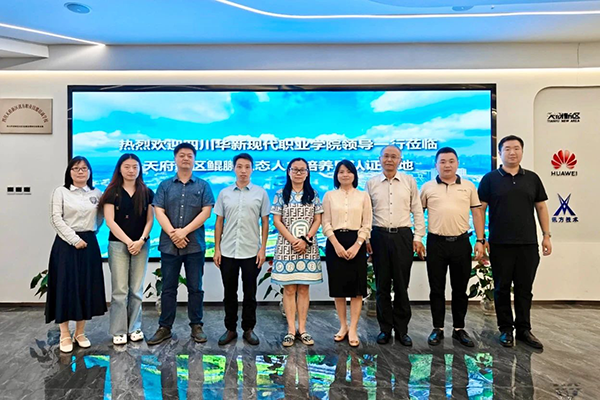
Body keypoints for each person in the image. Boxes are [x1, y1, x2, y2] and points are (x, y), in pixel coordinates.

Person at [478, 135, 552, 349]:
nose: (512, 152)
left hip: (527, 243)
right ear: (500, 153)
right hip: (500, 243)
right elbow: (480, 210)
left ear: (522, 151)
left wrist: (546, 235)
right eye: (508, 149)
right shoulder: (490, 179)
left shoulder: (532, 178)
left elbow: (541, 207)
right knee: (501, 288)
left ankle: (524, 330)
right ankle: (505, 330)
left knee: (524, 288)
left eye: (516, 148)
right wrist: (481, 239)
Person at [147, 143, 214, 345]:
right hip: (169, 246)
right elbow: (159, 211)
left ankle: (196, 326)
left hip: (195, 246)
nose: (186, 158)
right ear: (175, 158)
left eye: (189, 155)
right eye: (182, 155)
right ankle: (165, 327)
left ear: (194, 160)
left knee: (196, 288)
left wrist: (183, 232)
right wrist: (173, 234)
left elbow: (206, 212)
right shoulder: (165, 185)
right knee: (168, 288)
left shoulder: (203, 185)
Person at [420, 147, 485, 347]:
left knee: (460, 289)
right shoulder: (427, 187)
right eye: (442, 161)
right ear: (436, 165)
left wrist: (480, 240)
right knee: (436, 289)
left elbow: (477, 213)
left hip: (461, 243)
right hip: (436, 243)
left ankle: (459, 329)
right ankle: (437, 328)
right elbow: (418, 214)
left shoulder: (469, 186)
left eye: (451, 161)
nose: (447, 165)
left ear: (457, 163)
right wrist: (418, 238)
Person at [366, 145, 425, 346]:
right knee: (382, 286)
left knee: (401, 285)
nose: (389, 160)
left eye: (394, 156)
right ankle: (384, 330)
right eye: (386, 156)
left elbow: (417, 210)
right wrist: (367, 239)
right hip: (379, 236)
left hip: (403, 236)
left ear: (400, 160)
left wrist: (418, 237)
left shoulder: (409, 181)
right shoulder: (371, 183)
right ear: (380, 159)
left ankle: (402, 330)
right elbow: (366, 214)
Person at [46, 156, 106, 353]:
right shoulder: (61, 192)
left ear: (89, 172)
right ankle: (64, 333)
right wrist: (74, 239)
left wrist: (89, 233)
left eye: (84, 168)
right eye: (76, 168)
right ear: (69, 172)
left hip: (89, 244)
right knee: (64, 286)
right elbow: (56, 218)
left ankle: (80, 332)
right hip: (65, 245)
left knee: (85, 287)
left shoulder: (97, 193)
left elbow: (100, 218)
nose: (80, 171)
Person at [213, 153, 270, 346]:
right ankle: (230, 329)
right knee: (229, 293)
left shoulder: (261, 193)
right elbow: (219, 222)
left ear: (252, 169)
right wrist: (217, 249)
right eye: (239, 166)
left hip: (251, 251)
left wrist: (263, 249)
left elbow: (265, 222)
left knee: (250, 293)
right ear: (234, 169)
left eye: (247, 167)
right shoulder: (224, 193)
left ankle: (248, 329)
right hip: (228, 251)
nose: (243, 170)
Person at [98, 154, 154, 345]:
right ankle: (119, 330)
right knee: (120, 290)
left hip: (142, 245)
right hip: (118, 244)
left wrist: (141, 240)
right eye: (127, 166)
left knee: (136, 289)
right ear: (119, 169)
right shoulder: (111, 192)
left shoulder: (147, 192)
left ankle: (134, 327)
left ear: (140, 169)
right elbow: (110, 221)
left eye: (135, 167)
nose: (131, 170)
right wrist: (129, 242)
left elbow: (150, 220)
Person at [271, 158, 323, 347]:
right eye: (295, 169)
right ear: (289, 172)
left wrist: (305, 239)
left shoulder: (313, 194)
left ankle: (303, 329)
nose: (299, 173)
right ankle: (291, 330)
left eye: (302, 170)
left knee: (303, 289)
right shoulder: (280, 194)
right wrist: (293, 240)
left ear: (308, 173)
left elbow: (318, 220)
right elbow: (277, 221)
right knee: (289, 289)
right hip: (287, 247)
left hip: (307, 247)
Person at [322, 160, 372, 348]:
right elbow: (325, 222)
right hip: (335, 242)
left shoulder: (363, 196)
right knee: (339, 289)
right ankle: (343, 326)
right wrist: (336, 245)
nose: (345, 175)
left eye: (349, 171)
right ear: (336, 175)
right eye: (341, 171)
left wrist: (358, 245)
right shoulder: (329, 196)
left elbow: (367, 223)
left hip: (356, 242)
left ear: (354, 175)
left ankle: (353, 329)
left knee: (357, 290)